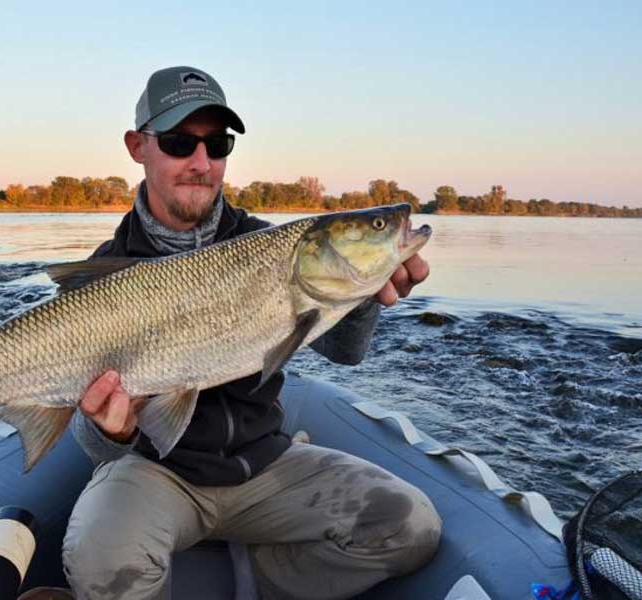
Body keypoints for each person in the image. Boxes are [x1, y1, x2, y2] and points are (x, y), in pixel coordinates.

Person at [61, 66, 441, 600]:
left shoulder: (270, 246)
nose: (201, 163)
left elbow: (346, 353)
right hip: (154, 474)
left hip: (264, 464)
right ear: (137, 146)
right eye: (178, 142)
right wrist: (113, 432)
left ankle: (259, 583)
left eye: (217, 144)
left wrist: (364, 289)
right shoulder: (104, 274)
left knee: (412, 527)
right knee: (98, 561)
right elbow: (93, 445)